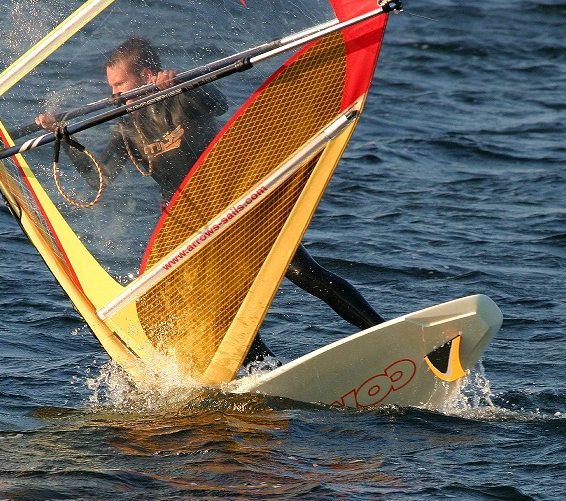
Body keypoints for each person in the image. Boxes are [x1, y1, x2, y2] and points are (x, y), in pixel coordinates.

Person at [38, 36, 384, 366]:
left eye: (120, 85)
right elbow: (98, 177)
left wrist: (181, 86)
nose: (113, 96)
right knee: (218, 308)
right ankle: (266, 370)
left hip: (238, 204)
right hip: (190, 224)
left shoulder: (182, 99)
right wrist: (64, 140)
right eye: (111, 87)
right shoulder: (127, 129)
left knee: (301, 272)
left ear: (145, 76)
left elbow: (219, 103)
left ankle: (381, 333)